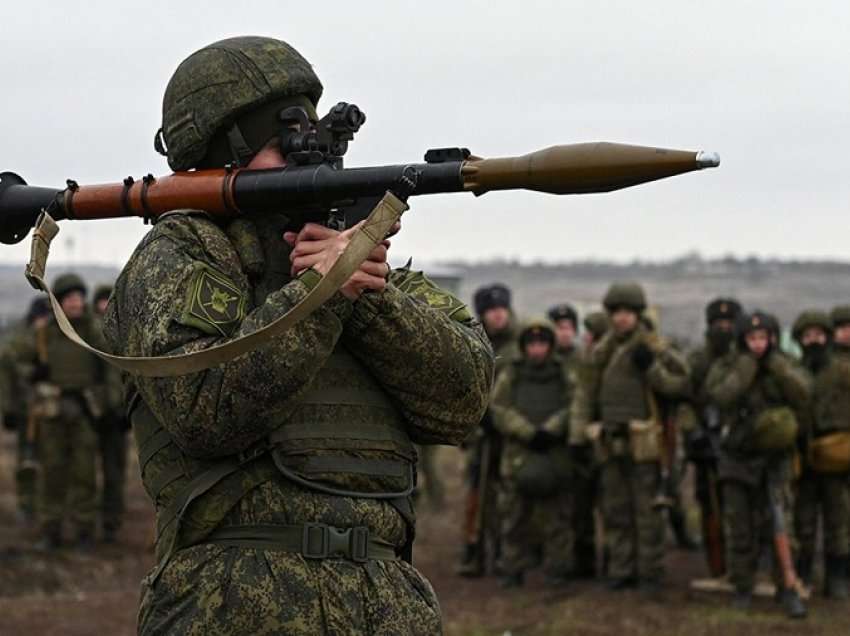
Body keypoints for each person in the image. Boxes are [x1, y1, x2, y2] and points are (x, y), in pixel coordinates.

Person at [103, 36, 494, 635]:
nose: (304, 160)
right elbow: (205, 408)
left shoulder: (361, 260)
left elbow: (462, 401)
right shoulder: (184, 253)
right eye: (279, 145)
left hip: (387, 601)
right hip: (233, 601)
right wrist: (322, 294)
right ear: (220, 156)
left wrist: (364, 294)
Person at [571, 282, 690, 596]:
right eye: (617, 313)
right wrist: (579, 433)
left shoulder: (654, 346)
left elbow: (682, 384)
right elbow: (585, 393)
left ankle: (650, 573)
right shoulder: (601, 350)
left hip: (645, 443)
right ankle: (621, 569)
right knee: (616, 510)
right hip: (609, 440)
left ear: (638, 314)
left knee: (647, 512)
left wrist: (651, 368)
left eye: (628, 313)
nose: (622, 319)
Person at [706, 311, 810, 617]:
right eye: (751, 339)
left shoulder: (785, 364)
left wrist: (777, 367)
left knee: (780, 524)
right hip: (737, 456)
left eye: (763, 338)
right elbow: (720, 396)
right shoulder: (727, 365)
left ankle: (787, 587)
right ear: (742, 340)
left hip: (775, 458)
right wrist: (746, 368)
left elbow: (804, 394)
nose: (758, 344)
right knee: (739, 525)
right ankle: (742, 586)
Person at [12, 274, 110, 550]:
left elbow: (110, 367)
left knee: (85, 474)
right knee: (52, 473)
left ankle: (84, 531)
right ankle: (50, 530)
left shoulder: (93, 331)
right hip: (52, 411)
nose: (76, 303)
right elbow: (16, 363)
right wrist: (34, 373)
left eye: (79, 297)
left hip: (83, 411)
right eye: (69, 298)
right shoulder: (44, 333)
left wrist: (111, 404)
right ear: (59, 303)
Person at [491, 319, 575, 588]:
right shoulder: (512, 373)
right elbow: (499, 408)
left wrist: (551, 429)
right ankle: (512, 569)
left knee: (557, 520)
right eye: (532, 344)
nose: (537, 349)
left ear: (550, 346)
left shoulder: (564, 373)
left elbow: (575, 405)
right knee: (514, 518)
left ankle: (557, 571)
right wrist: (527, 431)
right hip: (519, 455)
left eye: (542, 343)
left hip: (554, 455)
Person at [457, 283, 519, 577]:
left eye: (501, 309)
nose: (497, 316)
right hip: (481, 434)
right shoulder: (474, 343)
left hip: (509, 433)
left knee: (507, 496)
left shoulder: (519, 347)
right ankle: (474, 551)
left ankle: (506, 554)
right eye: (491, 310)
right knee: (475, 496)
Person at [793, 310, 849, 599]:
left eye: (818, 335)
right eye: (807, 336)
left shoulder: (843, 370)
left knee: (838, 520)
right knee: (803, 521)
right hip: (803, 456)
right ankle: (803, 574)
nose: (813, 341)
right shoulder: (792, 371)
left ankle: (838, 577)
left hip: (837, 455)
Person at [686, 297, 743, 577]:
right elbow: (685, 397)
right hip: (705, 440)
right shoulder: (698, 359)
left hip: (739, 440)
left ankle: (745, 563)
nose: (724, 329)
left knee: (742, 505)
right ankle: (716, 564)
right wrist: (693, 431)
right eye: (718, 324)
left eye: (729, 323)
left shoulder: (746, 358)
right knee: (709, 504)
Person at [0, 297, 51, 526]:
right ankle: (26, 503)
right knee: (26, 458)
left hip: (48, 409)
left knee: (51, 458)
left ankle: (47, 505)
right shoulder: (19, 341)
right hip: (25, 410)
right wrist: (8, 410)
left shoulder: (53, 338)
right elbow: (9, 372)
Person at [92, 284, 128, 543]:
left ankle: (111, 523)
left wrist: (124, 409)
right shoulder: (85, 333)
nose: (105, 306)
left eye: (109, 301)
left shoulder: (127, 332)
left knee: (114, 472)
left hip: (118, 415)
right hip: (91, 414)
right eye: (101, 301)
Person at [548, 303, 580, 371]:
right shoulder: (544, 358)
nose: (565, 333)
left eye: (568, 328)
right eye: (560, 328)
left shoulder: (583, 358)